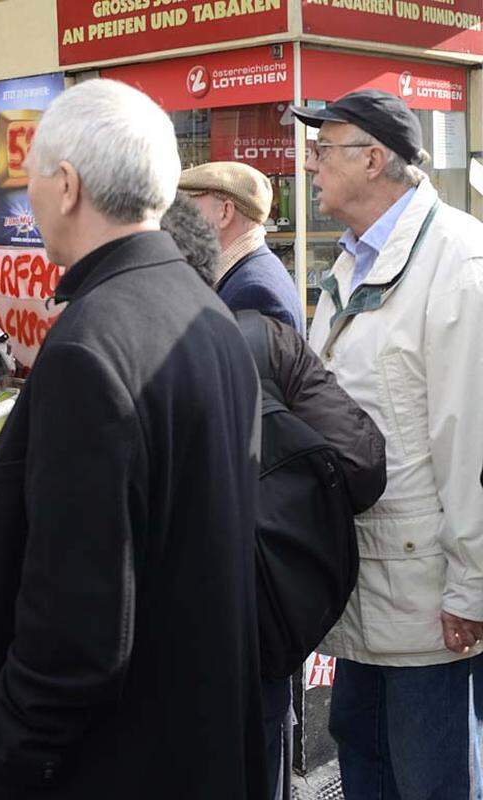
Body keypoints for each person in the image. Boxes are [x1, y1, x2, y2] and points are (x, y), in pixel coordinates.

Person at [0, 80, 266, 799]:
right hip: (195, 743)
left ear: (66, 186)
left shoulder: (89, 348)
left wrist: (0, 754)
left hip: (112, 764)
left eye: (31, 176)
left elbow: (76, 627)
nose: (29, 196)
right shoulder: (209, 314)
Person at [290, 89, 483, 799]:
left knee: (433, 778)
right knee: (366, 760)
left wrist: (473, 586)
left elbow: (471, 440)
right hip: (367, 584)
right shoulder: (352, 261)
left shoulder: (457, 261)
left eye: (323, 149)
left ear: (372, 160)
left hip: (432, 599)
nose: (309, 164)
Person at [165, 194, 388, 800]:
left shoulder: (114, 347)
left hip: (161, 641)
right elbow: (361, 464)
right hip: (257, 612)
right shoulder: (259, 335)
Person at [178, 161, 305, 333]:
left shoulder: (254, 294)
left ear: (225, 212)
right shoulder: (247, 273)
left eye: (187, 208)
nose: (178, 219)